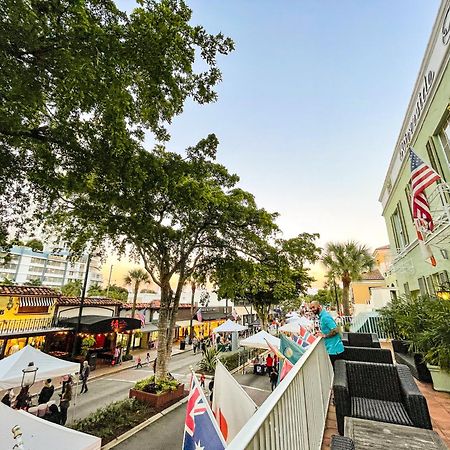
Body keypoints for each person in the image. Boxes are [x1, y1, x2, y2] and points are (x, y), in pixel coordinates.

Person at [309, 301, 344, 369]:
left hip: (335, 351)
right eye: (311, 308)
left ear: (319, 306)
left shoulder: (325, 317)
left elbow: (335, 330)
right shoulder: (322, 316)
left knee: (339, 373)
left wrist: (325, 335)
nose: (312, 309)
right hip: (333, 350)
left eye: (313, 307)